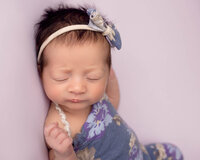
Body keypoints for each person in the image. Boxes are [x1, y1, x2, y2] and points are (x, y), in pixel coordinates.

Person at [35, 4, 184, 160]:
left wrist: (110, 79)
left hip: (137, 153)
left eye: (93, 76)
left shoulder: (97, 96)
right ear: (41, 71)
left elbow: (111, 104)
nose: (78, 88)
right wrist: (64, 152)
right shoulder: (59, 125)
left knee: (173, 152)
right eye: (62, 78)